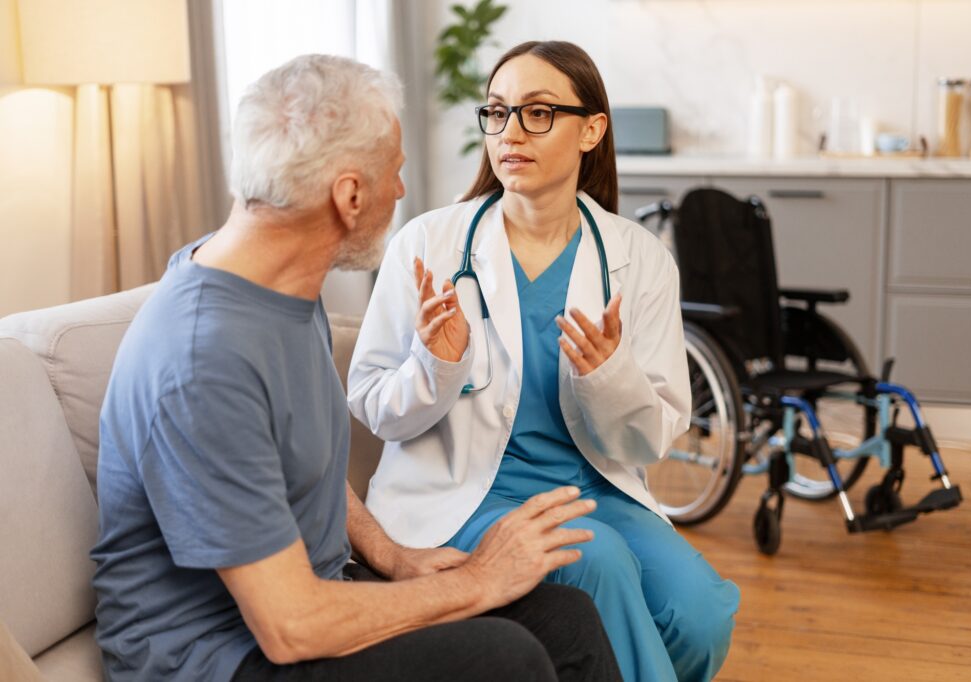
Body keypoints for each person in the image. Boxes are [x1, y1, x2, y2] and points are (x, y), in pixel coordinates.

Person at [90, 54, 623, 682]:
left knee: (566, 619)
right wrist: (479, 579)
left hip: (313, 593)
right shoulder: (202, 358)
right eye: (394, 173)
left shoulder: (282, 285)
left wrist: (394, 557)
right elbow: (292, 628)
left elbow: (292, 467)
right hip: (222, 656)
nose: (400, 191)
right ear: (349, 195)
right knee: (505, 657)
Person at [348, 41, 741, 682]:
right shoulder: (428, 244)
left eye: (537, 114)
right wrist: (435, 366)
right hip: (464, 495)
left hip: (595, 489)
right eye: (498, 113)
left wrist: (608, 378)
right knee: (600, 563)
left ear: (592, 130)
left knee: (700, 615)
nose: (510, 133)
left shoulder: (639, 260)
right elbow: (372, 406)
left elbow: (654, 437)